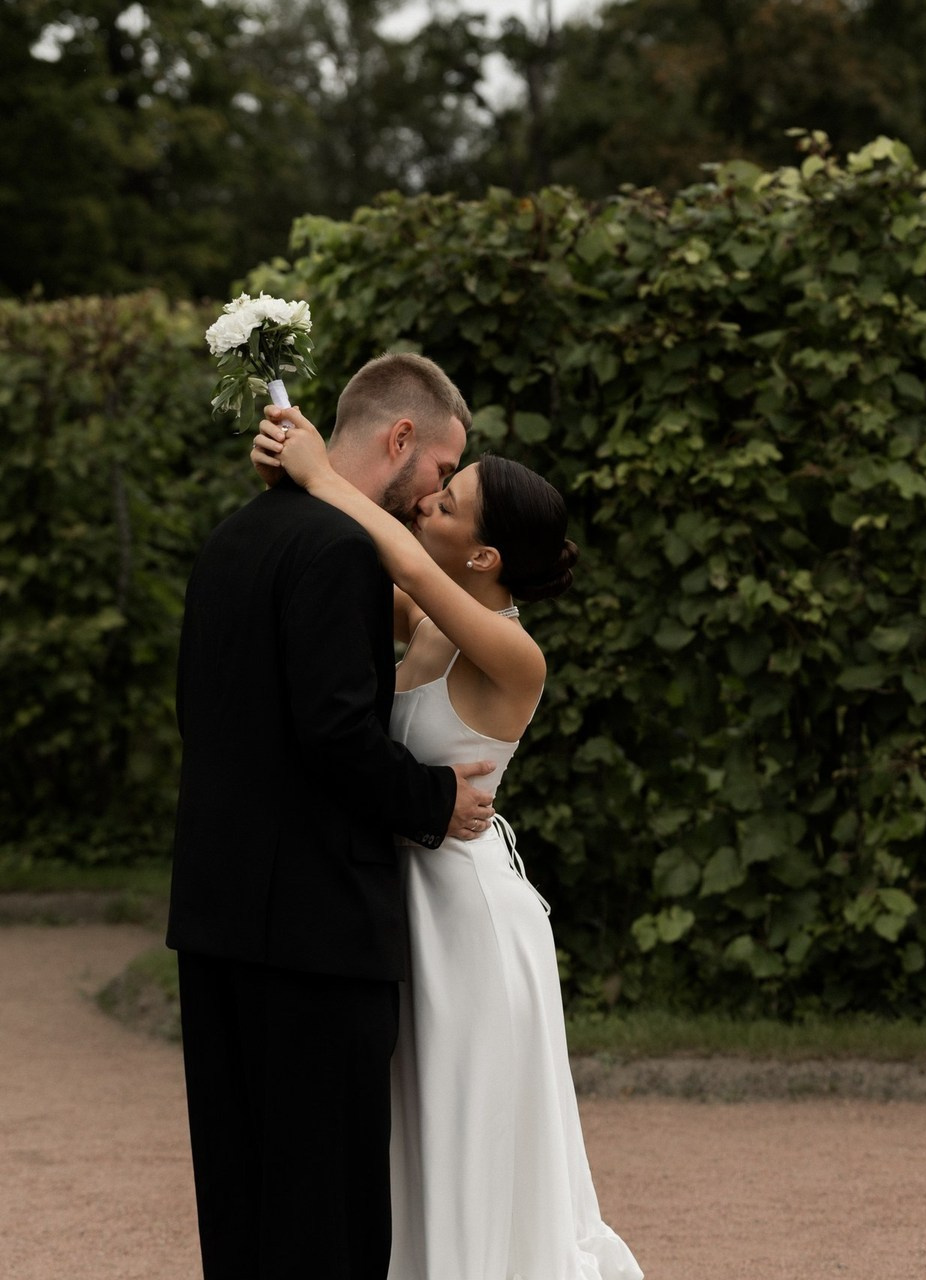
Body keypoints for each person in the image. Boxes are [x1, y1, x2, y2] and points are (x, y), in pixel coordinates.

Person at [252, 404, 644, 1280]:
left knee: (464, 1111)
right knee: (409, 1116)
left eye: (448, 501)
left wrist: (320, 474)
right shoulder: (429, 623)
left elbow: (397, 559)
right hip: (404, 903)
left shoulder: (512, 654)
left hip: (467, 919)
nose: (426, 501)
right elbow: (347, 563)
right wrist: (289, 482)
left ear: (484, 557)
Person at [167, 352, 500, 1280]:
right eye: (441, 469)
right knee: (328, 1213)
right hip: (314, 934)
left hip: (216, 920)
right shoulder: (341, 550)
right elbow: (338, 737)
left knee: (241, 1201)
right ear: (401, 438)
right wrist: (437, 800)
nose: (434, 494)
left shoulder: (233, 537)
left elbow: (201, 712)